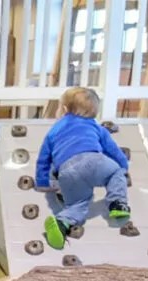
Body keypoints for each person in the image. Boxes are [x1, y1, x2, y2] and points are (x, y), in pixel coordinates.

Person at [35, 87, 131, 250]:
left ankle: (62, 222)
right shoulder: (96, 127)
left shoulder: (54, 131)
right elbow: (113, 150)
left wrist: (43, 182)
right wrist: (123, 167)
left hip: (66, 171)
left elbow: (44, 158)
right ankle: (117, 203)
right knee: (115, 172)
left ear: (64, 109)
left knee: (78, 204)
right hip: (94, 161)